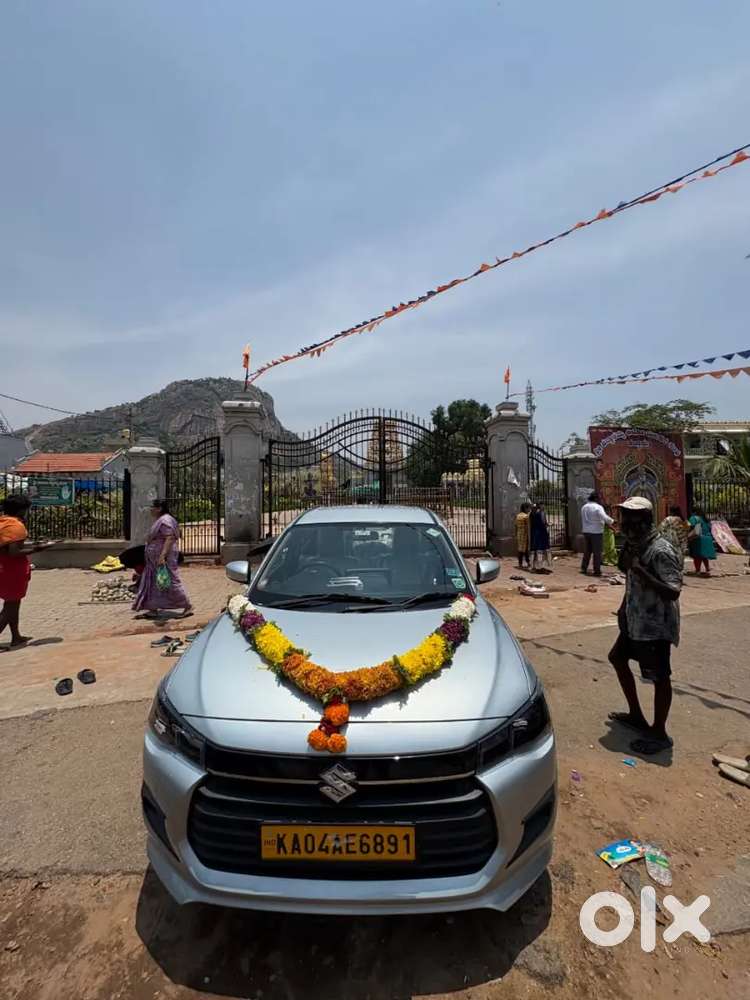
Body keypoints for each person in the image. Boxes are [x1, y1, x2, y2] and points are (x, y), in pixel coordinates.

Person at [607, 496, 682, 756]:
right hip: (634, 619)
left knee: (659, 677)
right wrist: (623, 607)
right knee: (617, 657)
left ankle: (659, 732)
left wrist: (641, 572)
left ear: (646, 520)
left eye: (631, 517)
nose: (625, 521)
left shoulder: (660, 550)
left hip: (654, 625)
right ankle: (636, 715)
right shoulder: (634, 544)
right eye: (623, 516)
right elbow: (624, 570)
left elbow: (673, 591)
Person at [0, 495, 53, 647]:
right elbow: (14, 552)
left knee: (13, 604)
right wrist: (38, 548)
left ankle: (16, 636)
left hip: (4, 567)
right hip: (12, 570)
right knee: (10, 608)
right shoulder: (16, 526)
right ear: (22, 510)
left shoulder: (3, 522)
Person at [132, 499, 192, 618]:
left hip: (164, 557)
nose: (151, 509)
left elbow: (169, 538)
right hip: (154, 559)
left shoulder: (165, 520)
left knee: (170, 581)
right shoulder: (163, 520)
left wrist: (162, 556)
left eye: (153, 507)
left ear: (159, 508)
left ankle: (187, 606)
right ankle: (153, 608)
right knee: (154, 582)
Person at [580, 491, 614, 576]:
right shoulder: (598, 507)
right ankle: (597, 570)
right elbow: (604, 517)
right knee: (597, 552)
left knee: (587, 551)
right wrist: (612, 521)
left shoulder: (584, 507)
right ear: (596, 499)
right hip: (596, 532)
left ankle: (584, 568)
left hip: (586, 531)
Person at [687, 507, 716, 576]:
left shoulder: (694, 518)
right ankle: (707, 569)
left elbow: (694, 529)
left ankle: (697, 570)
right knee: (704, 556)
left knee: (696, 556)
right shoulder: (706, 520)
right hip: (708, 538)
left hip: (698, 539)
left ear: (693, 512)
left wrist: (689, 536)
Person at [529, 503, 552, 572]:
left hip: (534, 533)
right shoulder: (541, 513)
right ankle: (540, 566)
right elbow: (543, 523)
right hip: (541, 533)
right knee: (541, 549)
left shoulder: (531, 514)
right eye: (543, 505)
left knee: (534, 549)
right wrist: (547, 525)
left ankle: (533, 566)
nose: (544, 507)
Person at [515, 503, 531, 569]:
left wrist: (516, 534)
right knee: (526, 549)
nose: (529, 509)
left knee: (520, 549)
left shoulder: (518, 516)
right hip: (525, 534)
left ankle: (520, 564)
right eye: (528, 508)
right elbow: (528, 526)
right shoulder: (526, 516)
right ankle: (528, 562)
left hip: (519, 534)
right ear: (525, 508)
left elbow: (515, 526)